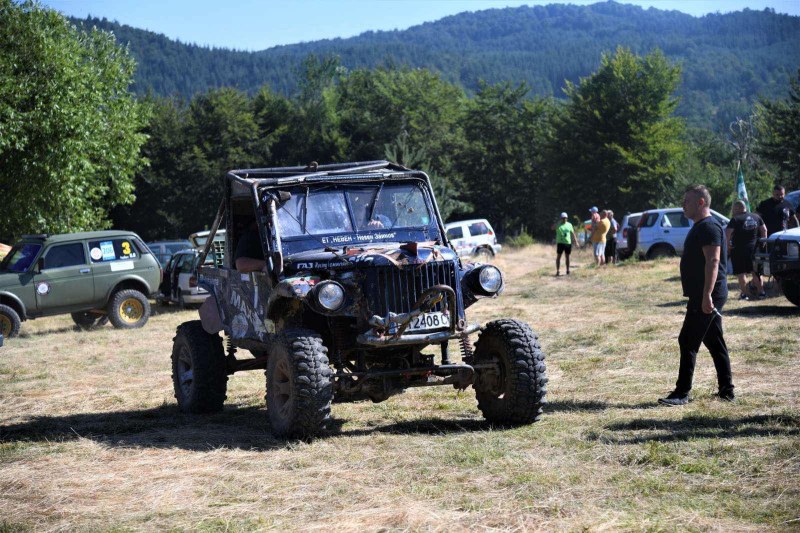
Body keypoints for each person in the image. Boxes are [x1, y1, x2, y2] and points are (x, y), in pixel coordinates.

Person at [659, 185, 733, 406]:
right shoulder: (701, 226)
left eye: (687, 201)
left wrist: (707, 295)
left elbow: (713, 261)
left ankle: (682, 393)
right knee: (714, 341)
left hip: (707, 295)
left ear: (701, 202)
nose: (683, 205)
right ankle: (727, 391)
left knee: (688, 340)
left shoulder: (709, 227)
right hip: (703, 294)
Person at [726, 200, 766, 300]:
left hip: (739, 250)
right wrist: (763, 244)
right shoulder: (756, 217)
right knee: (756, 272)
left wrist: (728, 246)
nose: (733, 211)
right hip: (754, 249)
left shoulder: (735, 219)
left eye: (734, 208)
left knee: (741, 273)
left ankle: (744, 295)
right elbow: (764, 230)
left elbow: (727, 233)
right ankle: (761, 292)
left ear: (738, 208)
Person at [552, 212, 579, 276]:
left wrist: (576, 242)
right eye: (563, 218)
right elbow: (552, 228)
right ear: (561, 218)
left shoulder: (569, 225)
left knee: (567, 257)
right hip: (560, 243)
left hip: (567, 243)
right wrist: (557, 223)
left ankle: (567, 270)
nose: (564, 219)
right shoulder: (558, 224)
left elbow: (573, 233)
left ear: (567, 218)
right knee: (559, 257)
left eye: (566, 218)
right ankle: (558, 271)